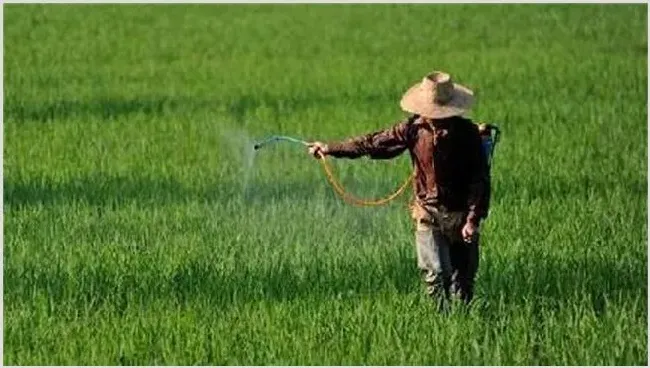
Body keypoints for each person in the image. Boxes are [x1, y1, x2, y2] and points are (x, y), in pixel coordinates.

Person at [307, 71, 491, 307]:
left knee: (462, 282)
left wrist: (472, 220)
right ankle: (441, 326)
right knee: (434, 275)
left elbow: (480, 180)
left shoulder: (468, 136)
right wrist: (331, 148)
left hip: (461, 214)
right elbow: (372, 143)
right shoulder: (413, 129)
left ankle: (462, 325)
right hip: (428, 212)